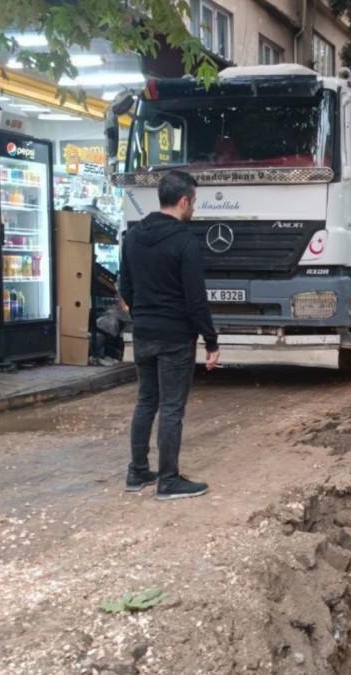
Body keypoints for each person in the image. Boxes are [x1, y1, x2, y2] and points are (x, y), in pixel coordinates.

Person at [118, 170, 221, 500]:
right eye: (194, 202)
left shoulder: (133, 236)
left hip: (144, 332)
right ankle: (168, 480)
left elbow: (126, 287)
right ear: (183, 201)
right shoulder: (185, 241)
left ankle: (136, 473)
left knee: (146, 400)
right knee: (172, 407)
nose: (194, 208)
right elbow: (195, 300)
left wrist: (143, 314)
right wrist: (211, 341)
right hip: (175, 336)